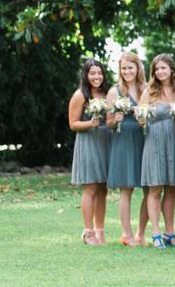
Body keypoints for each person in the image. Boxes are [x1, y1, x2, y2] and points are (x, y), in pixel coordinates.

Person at [106, 52, 150, 246]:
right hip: (123, 140)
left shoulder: (147, 89)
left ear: (138, 68)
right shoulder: (114, 91)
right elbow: (108, 123)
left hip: (145, 139)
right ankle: (127, 234)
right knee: (127, 189)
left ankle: (141, 233)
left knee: (150, 189)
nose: (127, 71)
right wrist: (115, 121)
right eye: (124, 68)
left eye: (131, 67)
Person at [139, 53, 175, 248]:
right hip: (154, 142)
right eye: (157, 68)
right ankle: (155, 233)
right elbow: (140, 119)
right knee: (155, 188)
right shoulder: (149, 92)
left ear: (172, 69)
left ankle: (170, 232)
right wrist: (142, 118)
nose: (160, 71)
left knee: (172, 188)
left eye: (164, 67)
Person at [68, 58, 111, 245]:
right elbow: (73, 124)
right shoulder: (80, 96)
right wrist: (90, 123)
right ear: (86, 75)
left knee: (103, 188)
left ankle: (100, 230)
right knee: (91, 188)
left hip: (105, 142)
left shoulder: (107, 94)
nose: (97, 76)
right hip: (88, 142)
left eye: (99, 73)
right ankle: (88, 232)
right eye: (92, 73)